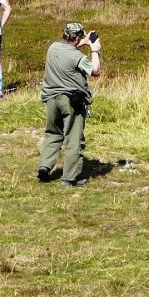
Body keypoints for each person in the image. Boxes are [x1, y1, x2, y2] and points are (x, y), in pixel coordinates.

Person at [38, 22, 101, 187]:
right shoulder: (77, 57)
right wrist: (94, 49)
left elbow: (70, 47)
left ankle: (44, 167)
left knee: (53, 133)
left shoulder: (53, 48)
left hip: (51, 98)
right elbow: (95, 71)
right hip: (71, 101)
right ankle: (69, 178)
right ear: (78, 37)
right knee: (74, 138)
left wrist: (85, 41)